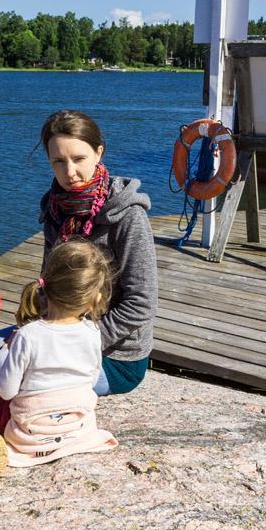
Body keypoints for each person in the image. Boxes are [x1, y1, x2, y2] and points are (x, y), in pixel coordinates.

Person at [0, 240, 118, 466]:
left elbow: (5, 392)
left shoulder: (29, 334)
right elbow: (92, 379)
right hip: (77, 427)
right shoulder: (93, 331)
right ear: (94, 297)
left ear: (47, 286)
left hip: (29, 435)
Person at [37, 109, 158, 395]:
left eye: (79, 159)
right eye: (59, 161)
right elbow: (48, 284)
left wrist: (78, 340)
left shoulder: (127, 216)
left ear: (98, 152)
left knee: (29, 382)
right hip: (63, 335)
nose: (70, 172)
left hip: (116, 355)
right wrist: (42, 331)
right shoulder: (55, 208)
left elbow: (142, 302)